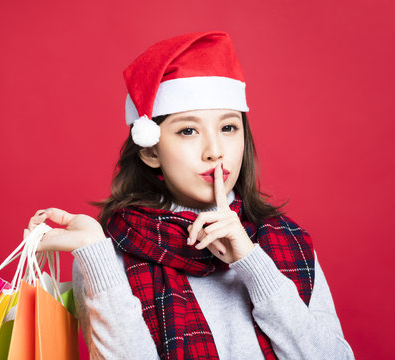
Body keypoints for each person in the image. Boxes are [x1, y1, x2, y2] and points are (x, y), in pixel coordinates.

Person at [25, 31, 355, 359]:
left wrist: (252, 264)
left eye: (228, 127)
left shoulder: (288, 243)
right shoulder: (110, 254)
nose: (215, 152)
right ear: (151, 150)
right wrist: (96, 257)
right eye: (188, 130)